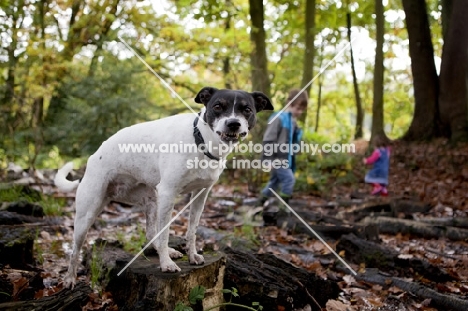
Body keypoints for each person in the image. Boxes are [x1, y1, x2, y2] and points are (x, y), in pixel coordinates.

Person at [258, 89, 308, 206]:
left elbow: (292, 141)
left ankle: (258, 205)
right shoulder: (278, 118)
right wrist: (267, 159)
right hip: (277, 159)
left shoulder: (292, 122)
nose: (300, 112)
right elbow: (269, 139)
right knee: (289, 180)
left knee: (273, 184)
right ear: (290, 103)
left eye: (302, 110)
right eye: (298, 108)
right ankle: (282, 209)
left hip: (286, 159)